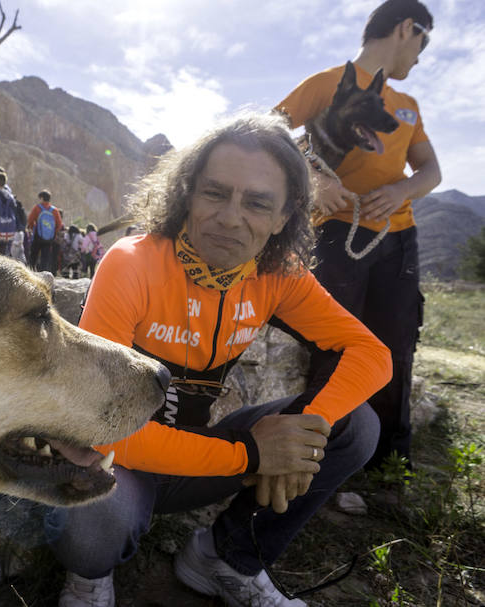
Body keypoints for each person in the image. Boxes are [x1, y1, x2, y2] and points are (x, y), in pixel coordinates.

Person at [46, 114, 392, 607]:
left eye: (257, 203)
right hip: (120, 460)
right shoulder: (132, 263)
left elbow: (372, 354)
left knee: (355, 425)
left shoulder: (277, 273)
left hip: (196, 458)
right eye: (215, 193)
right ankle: (89, 578)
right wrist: (251, 455)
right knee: (96, 513)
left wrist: (303, 432)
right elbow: (101, 428)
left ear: (283, 217)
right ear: (187, 193)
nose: (231, 218)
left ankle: (225, 559)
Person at [275, 0, 441, 471]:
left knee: (395, 348)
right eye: (423, 44)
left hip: (397, 240)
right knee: (336, 344)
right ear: (407, 28)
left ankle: (389, 465)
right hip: (334, 237)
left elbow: (432, 171)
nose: (421, 57)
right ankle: (318, 460)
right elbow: (266, 133)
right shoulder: (325, 84)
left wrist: (401, 190)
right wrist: (315, 177)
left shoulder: (407, 106)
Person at [27, 190, 63, 272]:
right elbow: (59, 224)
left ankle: (31, 272)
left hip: (38, 236)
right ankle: (43, 274)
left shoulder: (37, 208)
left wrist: (34, 228)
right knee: (45, 257)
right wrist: (53, 233)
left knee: (34, 255)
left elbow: (30, 220)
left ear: (42, 198)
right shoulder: (55, 210)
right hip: (49, 238)